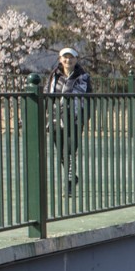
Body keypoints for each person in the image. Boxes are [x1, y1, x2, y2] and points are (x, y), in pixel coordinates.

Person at [46, 46, 91, 195]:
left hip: (75, 120)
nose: (68, 60)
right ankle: (73, 177)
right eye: (65, 57)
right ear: (60, 59)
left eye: (71, 57)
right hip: (55, 119)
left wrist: (85, 117)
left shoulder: (83, 77)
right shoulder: (54, 76)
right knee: (61, 154)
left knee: (69, 151)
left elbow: (89, 99)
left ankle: (69, 184)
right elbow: (48, 95)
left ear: (76, 59)